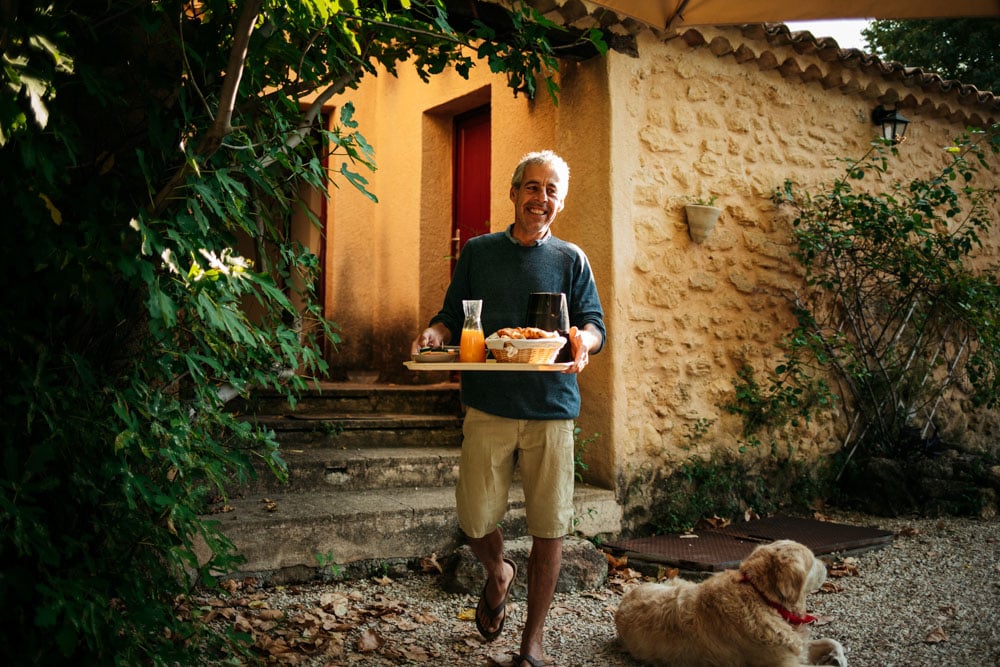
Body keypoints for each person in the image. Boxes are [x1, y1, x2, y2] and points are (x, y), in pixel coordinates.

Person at [411, 150, 606, 667]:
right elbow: (450, 314)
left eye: (551, 192)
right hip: (489, 402)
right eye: (533, 187)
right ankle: (498, 572)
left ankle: (532, 643)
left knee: (550, 527)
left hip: (551, 406)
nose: (540, 199)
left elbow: (594, 325)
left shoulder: (571, 259)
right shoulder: (478, 252)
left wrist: (584, 341)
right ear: (514, 191)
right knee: (474, 517)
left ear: (558, 203)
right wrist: (434, 332)